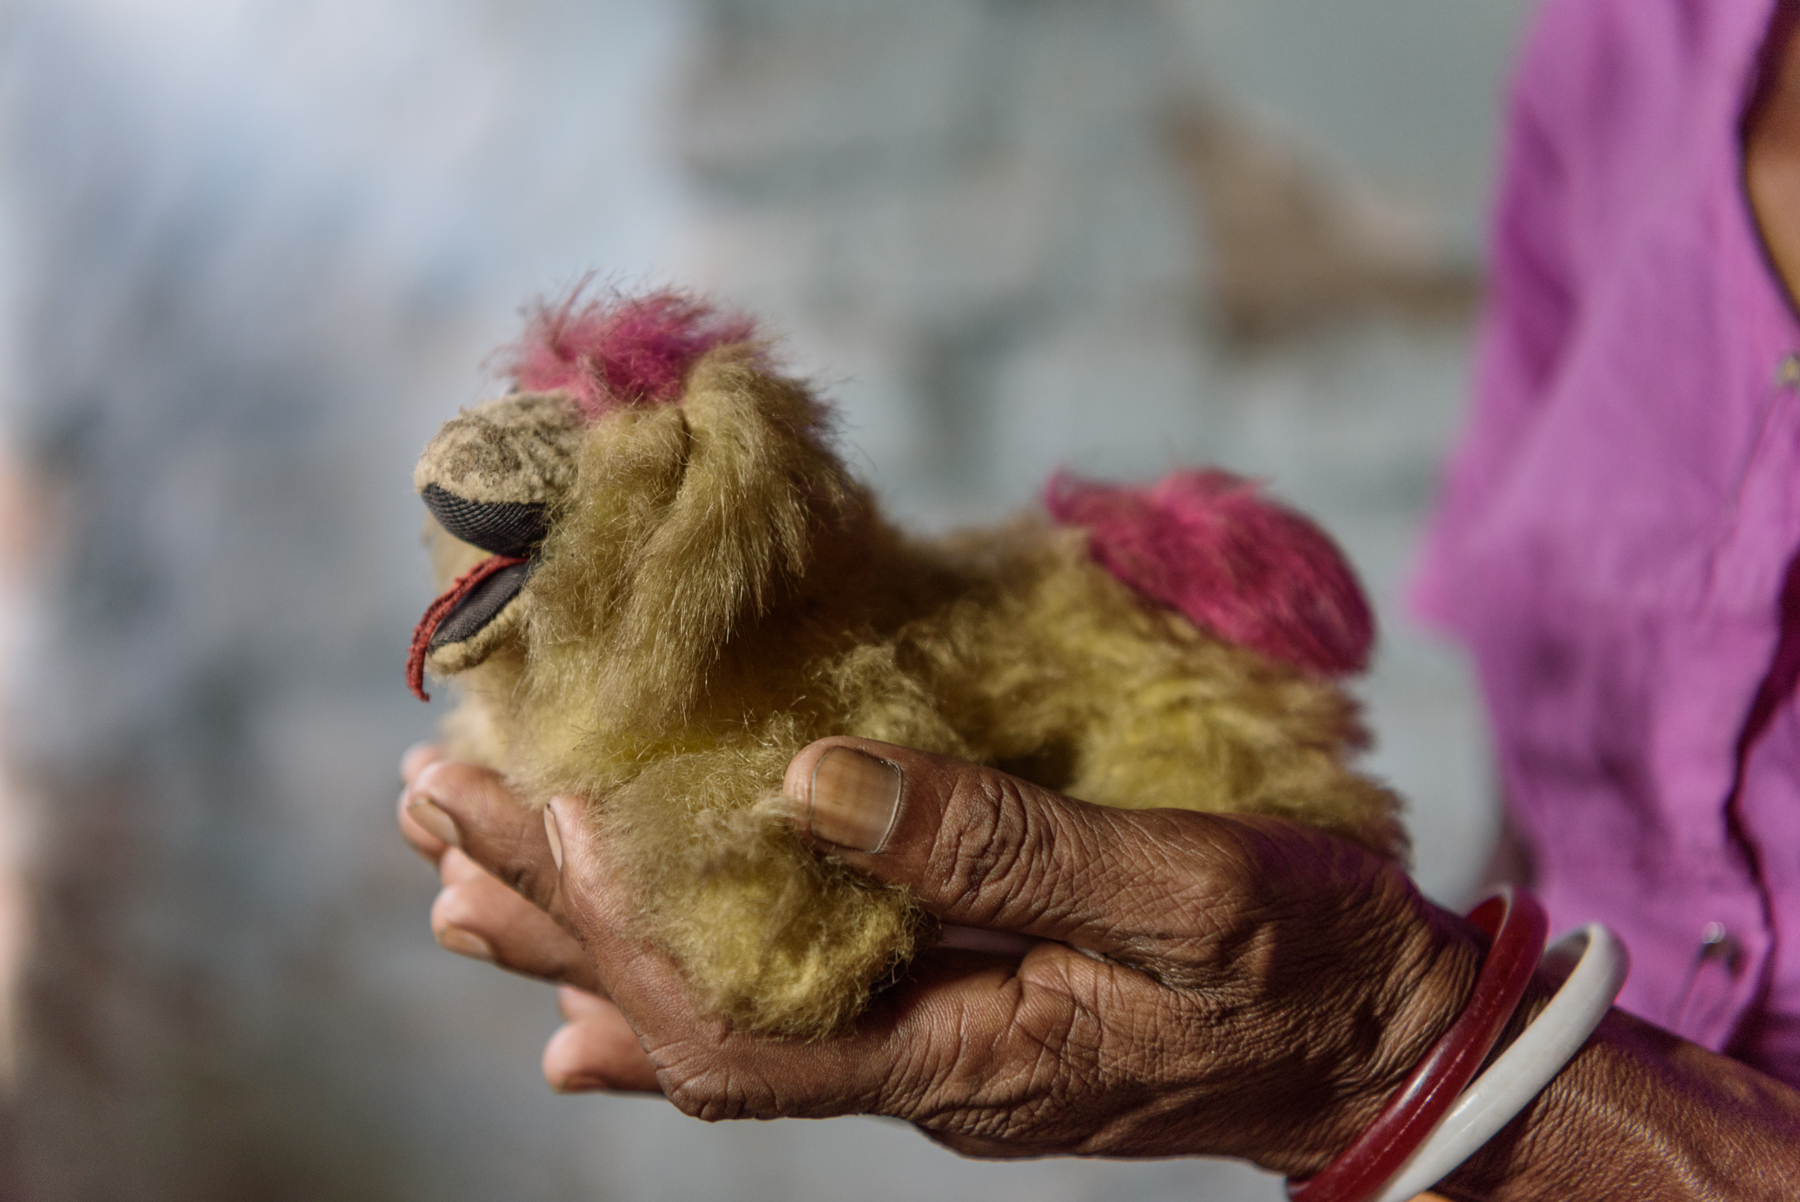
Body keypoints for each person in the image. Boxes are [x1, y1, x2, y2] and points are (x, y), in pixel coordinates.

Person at [397, 0, 1800, 1195]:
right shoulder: (1634, 53)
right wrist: (1303, 986)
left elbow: (1403, 1024)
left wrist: (1407, 1051)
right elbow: (1564, 818)